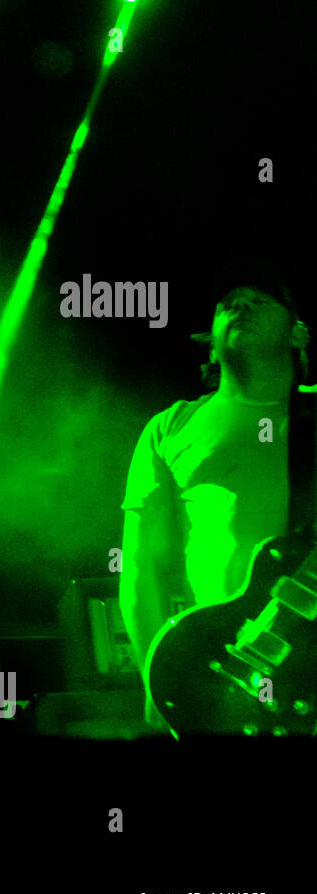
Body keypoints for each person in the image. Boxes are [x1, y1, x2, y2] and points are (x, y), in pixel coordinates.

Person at [120, 277, 310, 730]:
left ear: (298, 333)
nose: (241, 307)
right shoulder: (171, 426)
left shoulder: (311, 414)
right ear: (210, 341)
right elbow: (140, 566)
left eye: (259, 301)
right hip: (225, 666)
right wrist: (155, 677)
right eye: (229, 305)